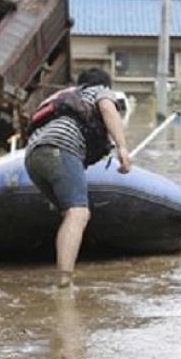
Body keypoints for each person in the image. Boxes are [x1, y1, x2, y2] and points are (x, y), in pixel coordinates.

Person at [24, 68, 131, 288]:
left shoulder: (63, 99)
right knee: (78, 213)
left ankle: (65, 268)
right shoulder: (99, 91)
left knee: (69, 213)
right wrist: (122, 147)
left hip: (33, 156)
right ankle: (64, 281)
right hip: (60, 148)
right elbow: (107, 108)